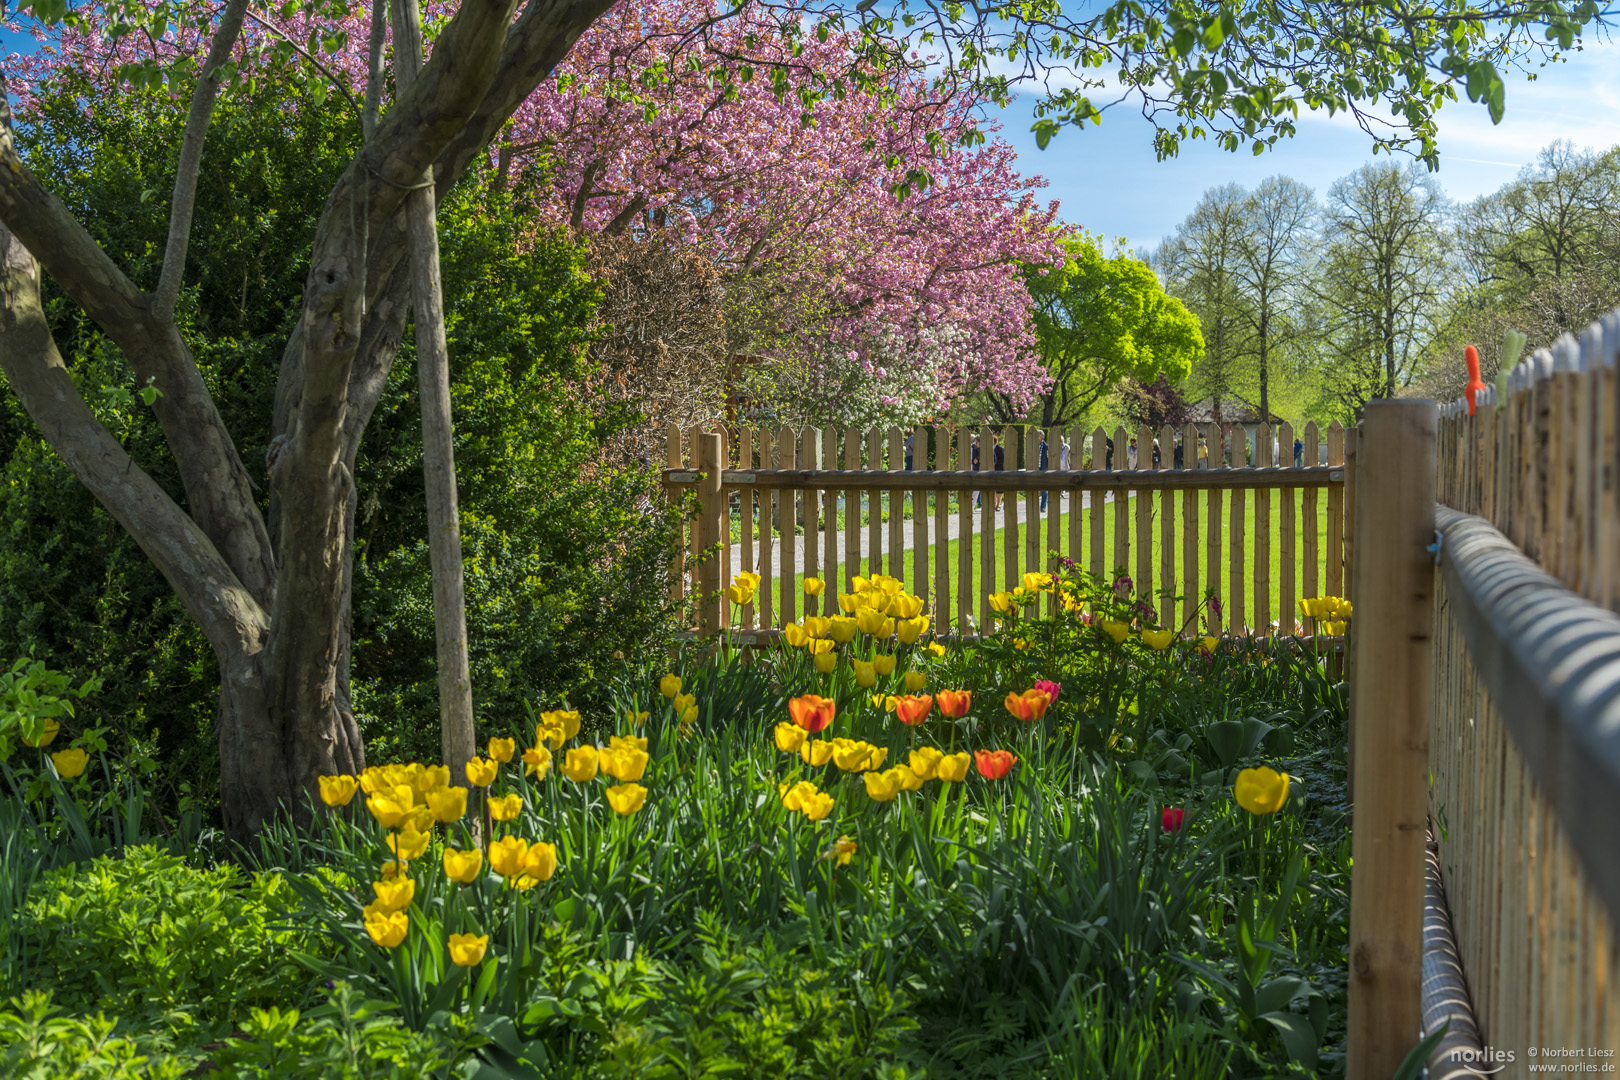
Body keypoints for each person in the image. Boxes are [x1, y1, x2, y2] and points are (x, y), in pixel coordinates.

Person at [990, 431, 1005, 511]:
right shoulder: (989, 450)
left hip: (999, 470)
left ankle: (998, 504)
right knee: (994, 488)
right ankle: (995, 503)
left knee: (999, 489)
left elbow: (1002, 460)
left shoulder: (1000, 449)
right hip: (992, 470)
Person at [1038, 432, 1050, 510]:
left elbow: (1049, 459)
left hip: (1043, 469)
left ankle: (1043, 506)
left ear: (1042, 437)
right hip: (1034, 469)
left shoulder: (1046, 447)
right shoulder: (1033, 445)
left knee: (1044, 489)